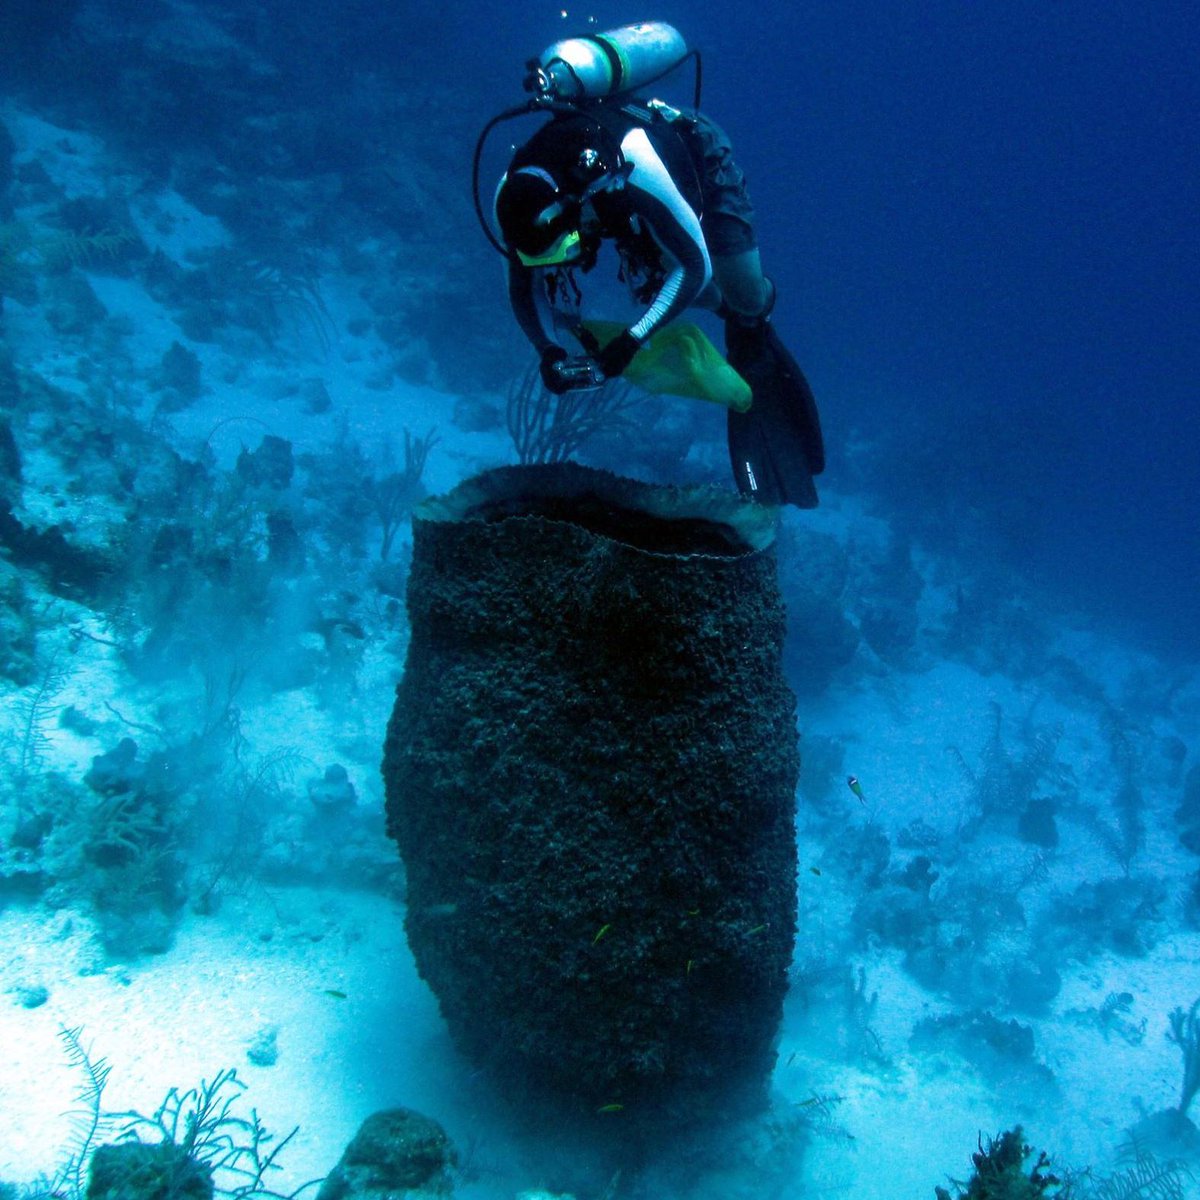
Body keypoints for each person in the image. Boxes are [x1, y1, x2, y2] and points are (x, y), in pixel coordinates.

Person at [493, 96, 824, 508]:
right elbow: (524, 288)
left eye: (569, 245)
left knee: (737, 295)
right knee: (697, 293)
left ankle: (752, 318)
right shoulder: (512, 199)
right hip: (612, 202)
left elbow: (695, 266)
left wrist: (633, 339)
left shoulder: (633, 161)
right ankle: (731, 315)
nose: (567, 260)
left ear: (570, 206)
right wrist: (549, 351)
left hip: (693, 163)